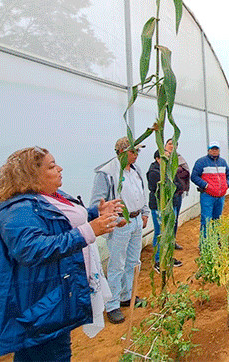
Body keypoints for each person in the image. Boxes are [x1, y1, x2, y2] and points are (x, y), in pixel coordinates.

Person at [0, 147, 123, 361]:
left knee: (51, 351)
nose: (59, 168)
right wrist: (89, 231)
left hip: (54, 297)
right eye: (51, 166)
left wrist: (94, 214)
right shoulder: (19, 209)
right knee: (50, 354)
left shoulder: (49, 198)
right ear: (31, 174)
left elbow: (61, 222)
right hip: (40, 303)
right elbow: (31, 249)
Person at [91, 137, 151, 325]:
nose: (137, 155)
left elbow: (141, 193)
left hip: (135, 221)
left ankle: (127, 296)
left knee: (134, 261)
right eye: (135, 151)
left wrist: (144, 212)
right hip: (120, 225)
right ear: (123, 152)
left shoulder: (135, 170)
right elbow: (97, 203)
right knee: (117, 264)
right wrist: (115, 220)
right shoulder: (107, 173)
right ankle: (112, 305)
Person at [147, 139, 189, 271]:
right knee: (160, 232)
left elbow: (177, 184)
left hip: (172, 204)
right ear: (157, 159)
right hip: (160, 206)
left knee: (170, 232)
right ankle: (159, 260)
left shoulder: (169, 169)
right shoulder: (154, 171)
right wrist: (172, 186)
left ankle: (169, 257)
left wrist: (172, 186)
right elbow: (161, 188)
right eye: (163, 158)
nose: (166, 160)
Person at [190, 140, 229, 239]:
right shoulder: (201, 162)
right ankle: (204, 244)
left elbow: (228, 175)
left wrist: (227, 184)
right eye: (212, 149)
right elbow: (194, 176)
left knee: (217, 220)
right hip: (207, 196)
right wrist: (206, 185)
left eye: (216, 149)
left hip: (220, 197)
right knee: (206, 220)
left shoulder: (223, 162)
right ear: (208, 150)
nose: (214, 151)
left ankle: (215, 241)